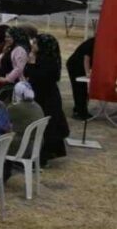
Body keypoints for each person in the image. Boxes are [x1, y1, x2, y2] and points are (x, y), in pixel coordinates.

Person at [26, 33, 70, 164]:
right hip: (43, 95)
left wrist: (32, 63)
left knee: (47, 127)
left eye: (35, 43)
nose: (33, 45)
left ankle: (43, 156)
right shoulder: (42, 58)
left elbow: (38, 77)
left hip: (47, 98)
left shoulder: (48, 62)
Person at [7, 81, 45, 154]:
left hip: (24, 147)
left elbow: (4, 120)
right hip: (37, 145)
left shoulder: (15, 108)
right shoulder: (37, 105)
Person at [67, 36, 96, 121]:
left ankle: (81, 110)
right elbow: (86, 58)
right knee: (79, 88)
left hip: (80, 66)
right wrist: (87, 73)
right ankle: (80, 112)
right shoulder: (93, 42)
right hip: (75, 65)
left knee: (82, 89)